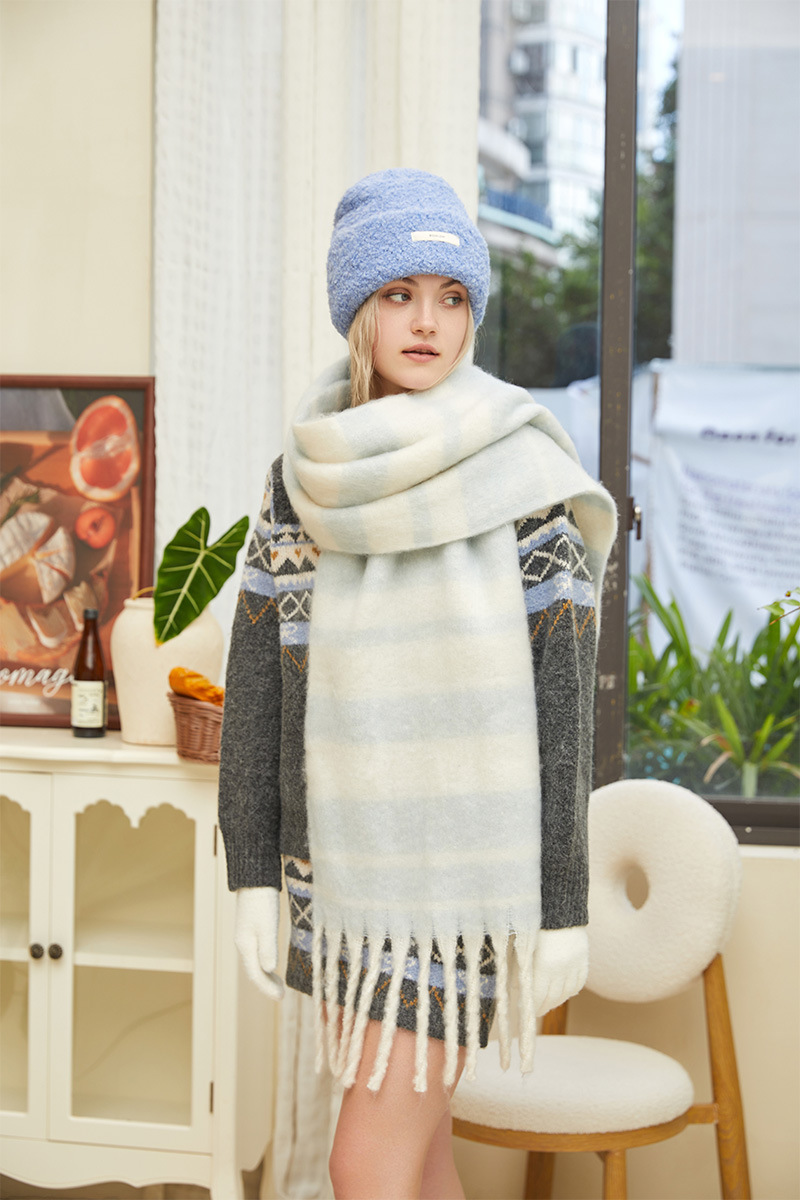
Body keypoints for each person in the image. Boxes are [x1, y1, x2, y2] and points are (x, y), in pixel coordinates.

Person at [218, 169, 616, 1200]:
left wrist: (563, 904)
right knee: (420, 1157)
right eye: (398, 294)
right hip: (340, 879)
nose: (427, 321)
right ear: (357, 306)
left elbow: (563, 706)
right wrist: (252, 870)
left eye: (450, 296)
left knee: (365, 1162)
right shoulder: (301, 478)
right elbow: (258, 680)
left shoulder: (522, 472)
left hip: (464, 882)